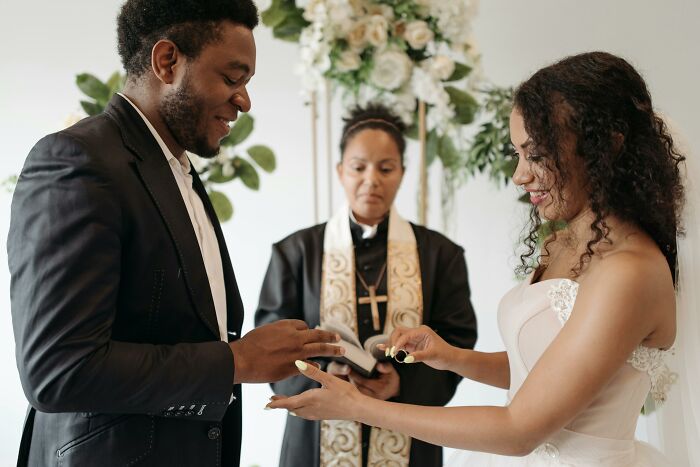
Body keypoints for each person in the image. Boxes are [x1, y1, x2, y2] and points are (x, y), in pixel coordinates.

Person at [267, 51, 688, 466]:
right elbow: (546, 372)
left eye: (536, 155)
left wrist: (358, 407)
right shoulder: (564, 244)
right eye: (517, 153)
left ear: (605, 146)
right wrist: (451, 355)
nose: (519, 175)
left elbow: (520, 430)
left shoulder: (631, 272)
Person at [7, 1, 343, 466]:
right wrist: (237, 362)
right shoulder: (78, 161)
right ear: (167, 62)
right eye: (232, 78)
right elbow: (59, 371)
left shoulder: (177, 168)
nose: (244, 100)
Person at [255, 104, 478, 467]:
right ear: (341, 171)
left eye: (385, 168)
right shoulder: (295, 252)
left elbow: (458, 343)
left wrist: (401, 386)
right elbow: (271, 343)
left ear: (402, 173)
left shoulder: (441, 255)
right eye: (358, 167)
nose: (371, 180)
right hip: (316, 443)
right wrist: (325, 380)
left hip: (410, 435)